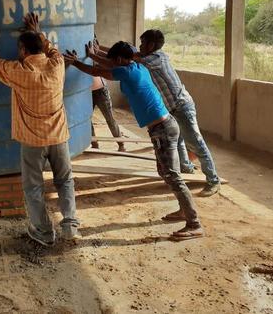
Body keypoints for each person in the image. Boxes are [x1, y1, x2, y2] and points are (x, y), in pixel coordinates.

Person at [65, 42, 203, 240]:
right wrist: (93, 55)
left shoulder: (127, 72)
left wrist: (77, 62)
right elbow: (108, 65)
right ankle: (184, 210)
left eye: (115, 60)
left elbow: (100, 71)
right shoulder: (137, 66)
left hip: (162, 129)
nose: (113, 63)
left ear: (120, 59)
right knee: (164, 172)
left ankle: (194, 223)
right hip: (164, 126)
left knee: (172, 175)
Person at [0, 12, 79, 246]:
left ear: (22, 51)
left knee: (34, 187)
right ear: (41, 48)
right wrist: (38, 31)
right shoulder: (58, 65)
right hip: (59, 136)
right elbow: (52, 49)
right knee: (65, 180)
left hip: (33, 140)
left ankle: (44, 233)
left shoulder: (20, 73)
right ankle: (70, 224)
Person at [136, 30, 221, 197]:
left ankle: (213, 180)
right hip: (173, 108)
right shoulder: (155, 56)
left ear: (151, 45)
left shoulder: (155, 59)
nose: (140, 46)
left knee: (196, 143)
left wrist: (98, 53)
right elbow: (130, 54)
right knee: (179, 140)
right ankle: (187, 167)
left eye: (143, 43)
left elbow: (127, 58)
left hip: (182, 107)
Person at [90, 75, 125, 152]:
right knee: (87, 120)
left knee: (110, 119)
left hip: (100, 89)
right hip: (87, 91)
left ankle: (121, 143)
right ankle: (94, 143)